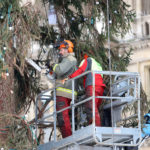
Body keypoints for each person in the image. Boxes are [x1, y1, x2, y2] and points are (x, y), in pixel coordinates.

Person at [69, 53, 105, 126]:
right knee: (94, 108)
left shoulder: (88, 60)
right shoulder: (97, 64)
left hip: (92, 85)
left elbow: (81, 70)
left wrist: (70, 77)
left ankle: (95, 127)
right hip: (100, 87)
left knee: (90, 107)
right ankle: (94, 125)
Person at [52, 40, 77, 138]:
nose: (60, 52)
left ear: (68, 49)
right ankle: (67, 137)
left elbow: (60, 70)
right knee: (63, 117)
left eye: (62, 50)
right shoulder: (67, 60)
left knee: (63, 117)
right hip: (65, 91)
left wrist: (53, 65)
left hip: (64, 92)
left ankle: (68, 139)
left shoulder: (70, 59)